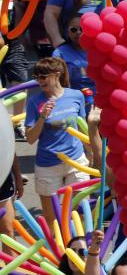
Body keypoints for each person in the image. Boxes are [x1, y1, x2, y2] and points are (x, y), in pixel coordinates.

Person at [25, 56, 90, 228]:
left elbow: (84, 130)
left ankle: (77, 252)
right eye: (37, 77)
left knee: (79, 215)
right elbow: (30, 139)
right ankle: (59, 252)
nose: (40, 81)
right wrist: (42, 117)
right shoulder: (34, 101)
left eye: (43, 76)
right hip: (48, 165)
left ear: (57, 74)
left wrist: (93, 157)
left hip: (76, 161)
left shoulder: (76, 96)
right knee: (53, 222)